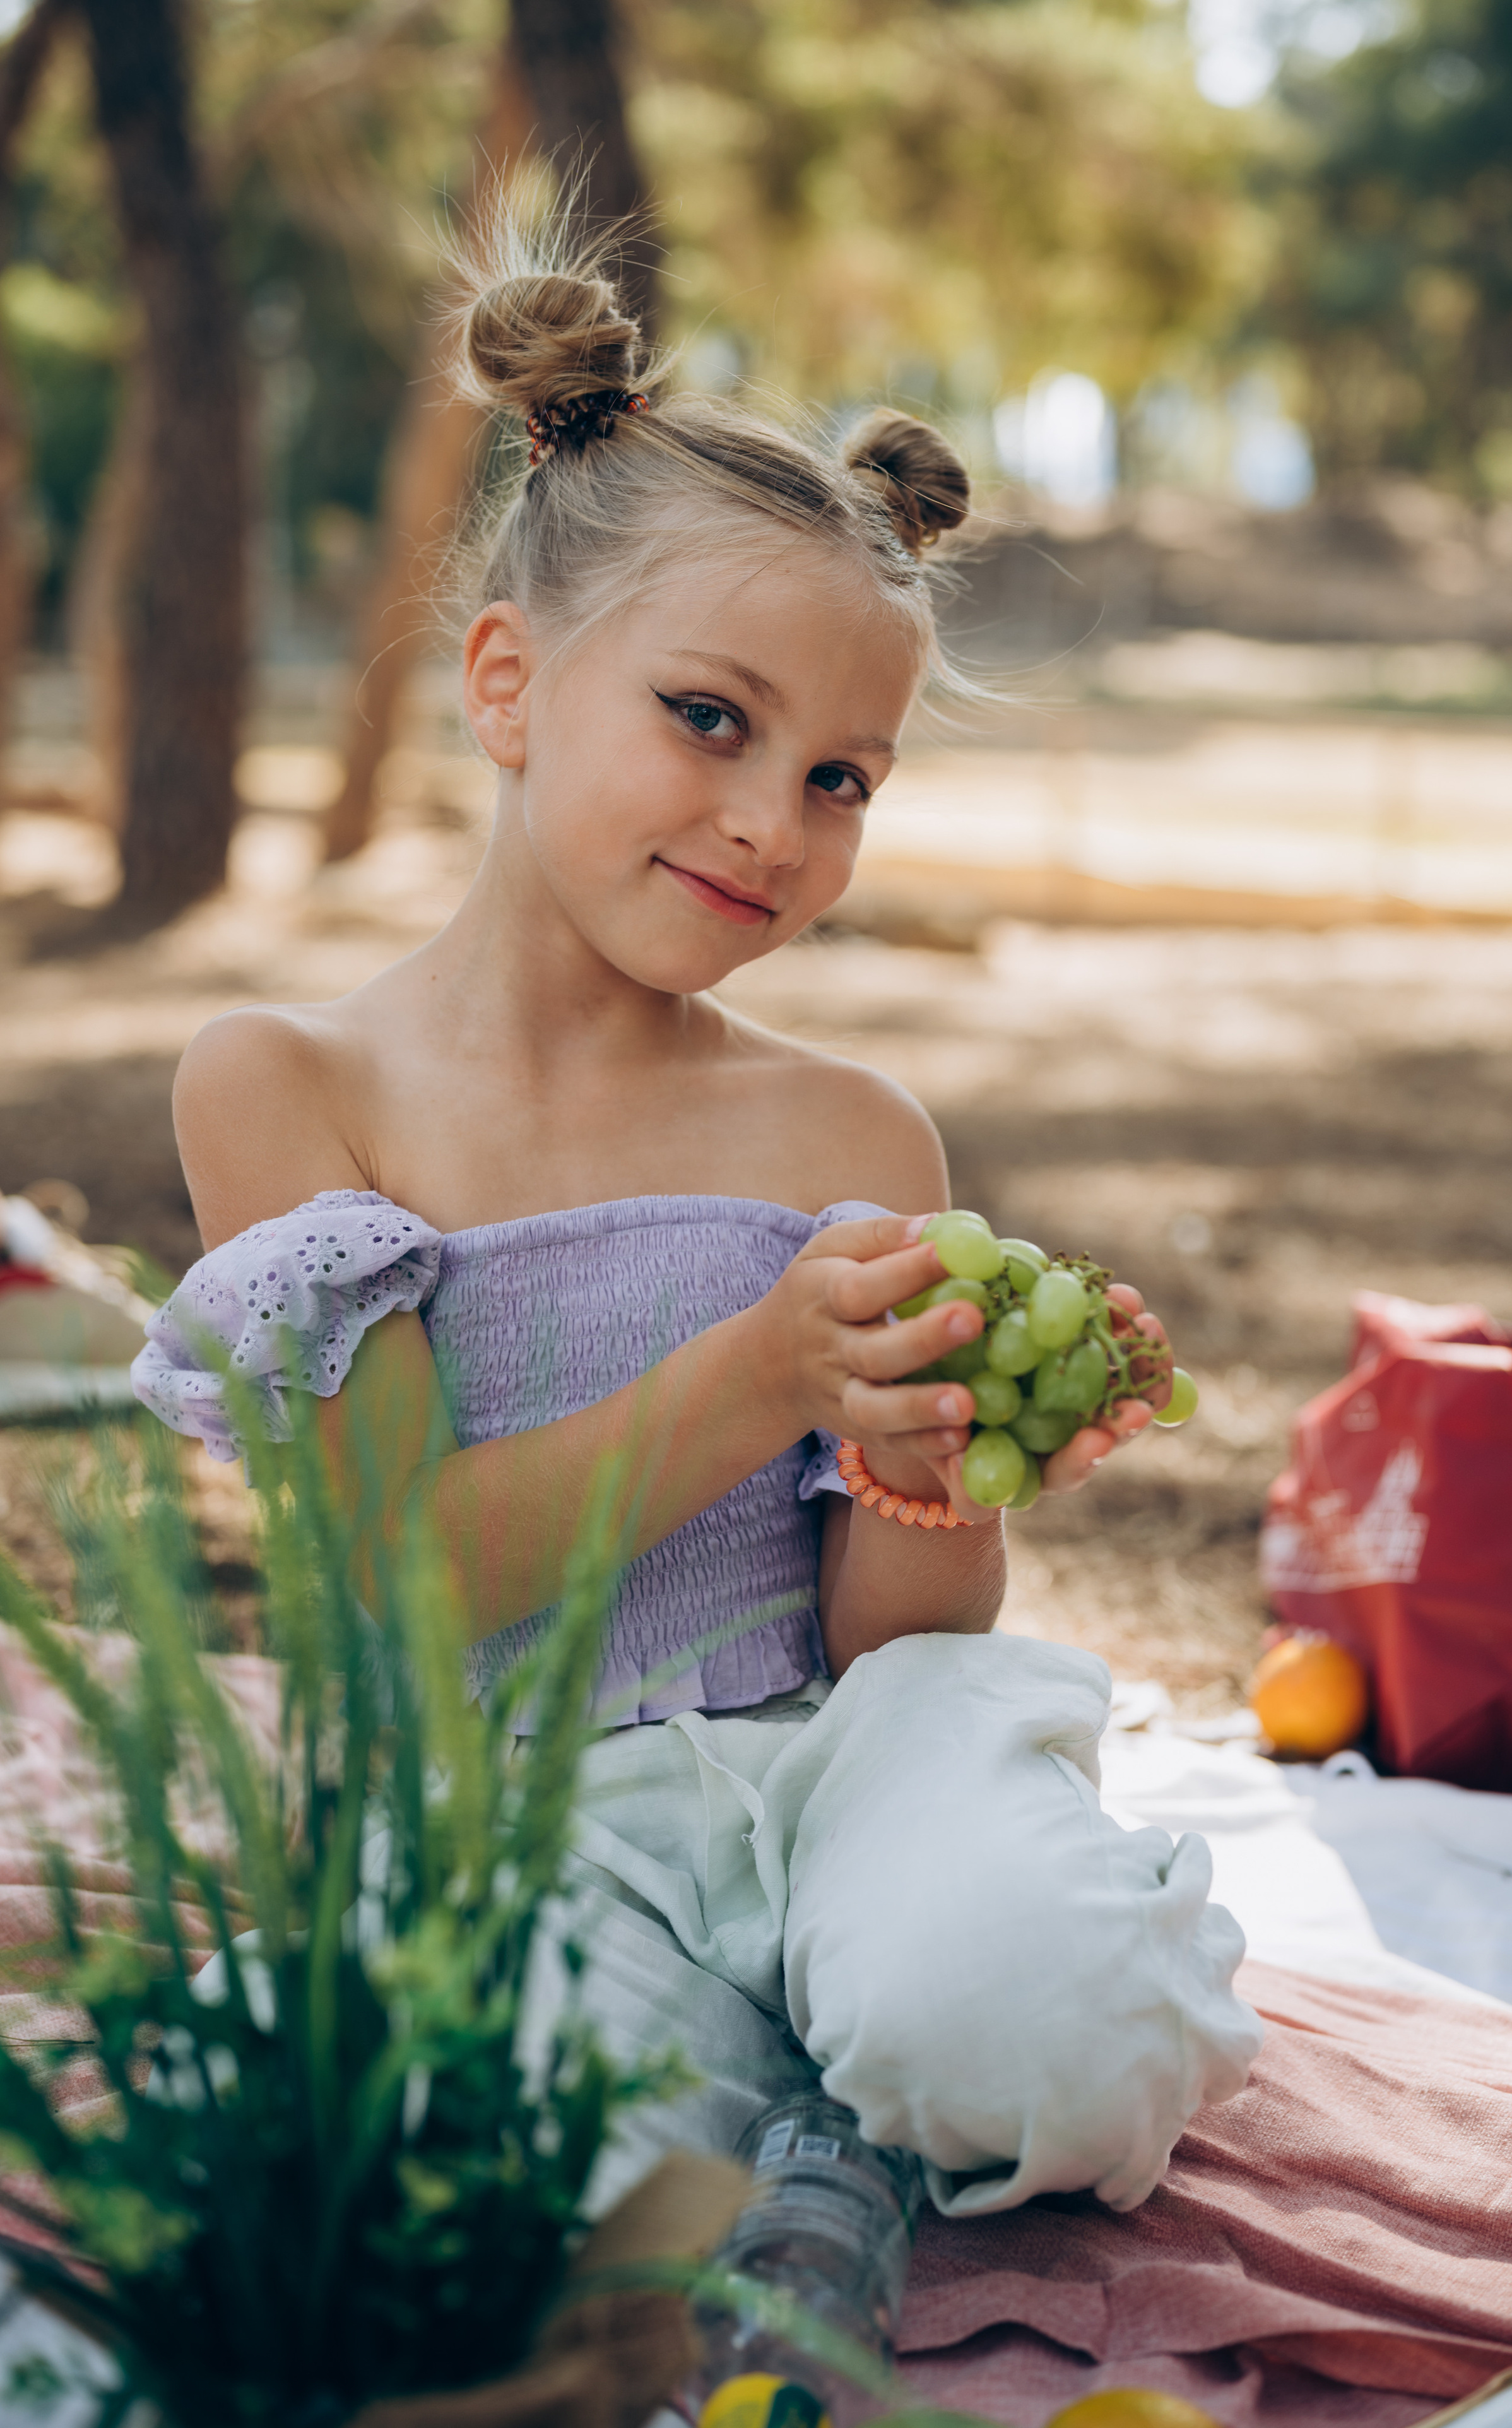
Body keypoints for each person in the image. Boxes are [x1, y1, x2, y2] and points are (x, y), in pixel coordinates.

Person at [134, 216, 1260, 2220]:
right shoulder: (292, 1085)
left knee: (1055, 2021)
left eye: (844, 777)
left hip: (847, 1766)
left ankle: (901, 2024)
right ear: (507, 681)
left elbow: (887, 1636)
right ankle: (807, 2117)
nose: (772, 824)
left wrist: (932, 1468)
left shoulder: (848, 1126)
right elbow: (397, 1585)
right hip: (512, 1812)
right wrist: (756, 1375)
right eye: (711, 719)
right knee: (468, 2155)